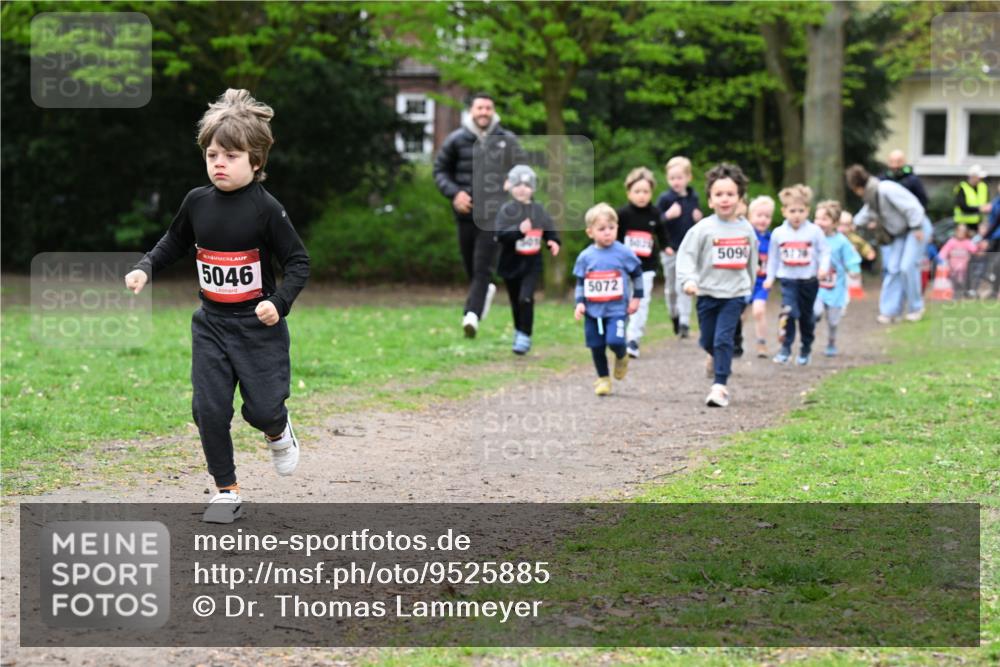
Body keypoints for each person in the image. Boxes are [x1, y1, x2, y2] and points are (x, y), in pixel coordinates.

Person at [124, 89, 310, 524]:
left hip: (257, 327)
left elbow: (299, 261)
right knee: (207, 409)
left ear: (256, 161)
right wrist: (146, 266)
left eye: (230, 155)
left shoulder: (267, 210)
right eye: (212, 155)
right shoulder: (197, 201)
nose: (219, 163)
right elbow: (174, 240)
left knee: (261, 408)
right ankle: (226, 490)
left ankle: (278, 429)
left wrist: (279, 303)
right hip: (210, 324)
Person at [433, 93, 523, 338]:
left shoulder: (507, 140)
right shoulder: (456, 140)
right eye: (480, 107)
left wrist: (512, 181)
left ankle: (470, 316)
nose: (484, 112)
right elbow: (440, 171)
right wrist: (454, 194)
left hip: (494, 214)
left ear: (493, 111)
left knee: (482, 267)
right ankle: (484, 293)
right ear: (471, 111)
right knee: (472, 269)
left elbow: (522, 169)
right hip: (465, 216)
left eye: (488, 108)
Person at [676, 163, 758, 408]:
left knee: (724, 340)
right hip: (707, 293)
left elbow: (752, 261)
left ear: (740, 198)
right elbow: (687, 256)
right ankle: (713, 355)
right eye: (719, 194)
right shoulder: (702, 229)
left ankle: (720, 386)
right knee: (708, 340)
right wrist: (689, 280)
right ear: (710, 200)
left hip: (734, 294)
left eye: (730, 194)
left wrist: (749, 290)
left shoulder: (746, 229)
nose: (725, 199)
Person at [573, 203, 642, 396]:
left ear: (617, 228)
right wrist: (579, 303)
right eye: (601, 229)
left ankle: (621, 355)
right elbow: (580, 281)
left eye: (611, 228)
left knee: (614, 340)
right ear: (590, 232)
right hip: (592, 310)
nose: (607, 233)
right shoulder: (586, 256)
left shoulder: (623, 252)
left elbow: (637, 274)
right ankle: (603, 378)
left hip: (617, 309)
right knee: (596, 345)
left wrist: (637, 298)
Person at [845, 164, 927, 323]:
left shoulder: (885, 189)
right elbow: (867, 213)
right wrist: (853, 225)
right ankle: (890, 311)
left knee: (907, 266)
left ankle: (916, 307)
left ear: (857, 187)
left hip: (917, 228)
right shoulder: (872, 196)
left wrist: (917, 226)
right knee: (893, 268)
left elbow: (913, 207)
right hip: (900, 233)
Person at [494, 165, 560, 354]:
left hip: (531, 264)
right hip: (510, 264)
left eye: (526, 184)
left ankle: (525, 335)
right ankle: (519, 331)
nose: (522, 188)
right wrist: (518, 231)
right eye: (518, 184)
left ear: (533, 188)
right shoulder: (506, 210)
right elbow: (499, 235)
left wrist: (553, 242)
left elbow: (549, 230)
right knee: (516, 301)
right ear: (511, 187)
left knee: (525, 298)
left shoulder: (539, 210)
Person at [763, 184, 830, 366]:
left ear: (808, 211)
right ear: (784, 211)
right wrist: (769, 278)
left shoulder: (814, 231)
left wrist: (823, 268)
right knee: (789, 312)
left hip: (809, 281)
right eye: (792, 210)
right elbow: (773, 258)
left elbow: (825, 251)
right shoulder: (779, 233)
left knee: (806, 317)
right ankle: (785, 348)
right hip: (788, 280)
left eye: (801, 210)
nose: (797, 215)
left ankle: (806, 347)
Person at [616, 167, 667, 358]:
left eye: (646, 191)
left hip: (646, 267)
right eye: (637, 191)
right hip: (623, 268)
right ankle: (619, 334)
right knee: (623, 300)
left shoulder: (655, 213)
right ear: (629, 192)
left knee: (642, 302)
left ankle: (633, 339)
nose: (642, 196)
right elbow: (615, 239)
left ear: (651, 193)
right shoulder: (622, 214)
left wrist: (666, 246)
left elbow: (662, 233)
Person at [656, 156, 703, 338]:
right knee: (671, 288)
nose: (676, 181)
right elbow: (654, 223)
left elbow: (698, 224)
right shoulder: (665, 199)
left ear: (688, 177)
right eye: (672, 178)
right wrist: (667, 215)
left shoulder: (694, 197)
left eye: (679, 177)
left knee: (685, 285)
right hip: (670, 249)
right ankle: (674, 315)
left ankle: (684, 322)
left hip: (689, 251)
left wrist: (698, 218)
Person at [812, 200, 861, 357]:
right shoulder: (812, 237)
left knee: (833, 320)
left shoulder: (841, 241)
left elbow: (851, 258)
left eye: (824, 219)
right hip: (816, 286)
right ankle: (808, 339)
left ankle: (831, 341)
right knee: (815, 311)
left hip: (835, 287)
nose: (819, 223)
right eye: (817, 218)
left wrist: (853, 269)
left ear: (834, 223)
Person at [742, 195, 775, 358]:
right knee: (740, 314)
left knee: (759, 311)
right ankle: (735, 339)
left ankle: (761, 343)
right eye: (759, 215)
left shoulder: (772, 239)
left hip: (762, 282)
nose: (763, 219)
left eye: (767, 216)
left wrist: (772, 276)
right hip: (744, 282)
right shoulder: (745, 235)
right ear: (750, 216)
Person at [938, 224, 981, 297]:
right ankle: (956, 296)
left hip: (965, 270)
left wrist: (979, 247)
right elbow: (943, 253)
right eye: (959, 230)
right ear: (956, 231)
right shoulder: (951, 242)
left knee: (964, 285)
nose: (961, 233)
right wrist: (942, 261)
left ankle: (966, 294)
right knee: (955, 286)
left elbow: (975, 250)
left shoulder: (967, 242)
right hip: (953, 270)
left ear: (966, 233)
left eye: (963, 231)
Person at [953, 164, 991, 233]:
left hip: (979, 224)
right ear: (973, 177)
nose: (980, 179)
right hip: (963, 225)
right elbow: (962, 206)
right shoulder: (962, 188)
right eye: (979, 177)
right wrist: (979, 209)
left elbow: (986, 202)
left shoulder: (983, 187)